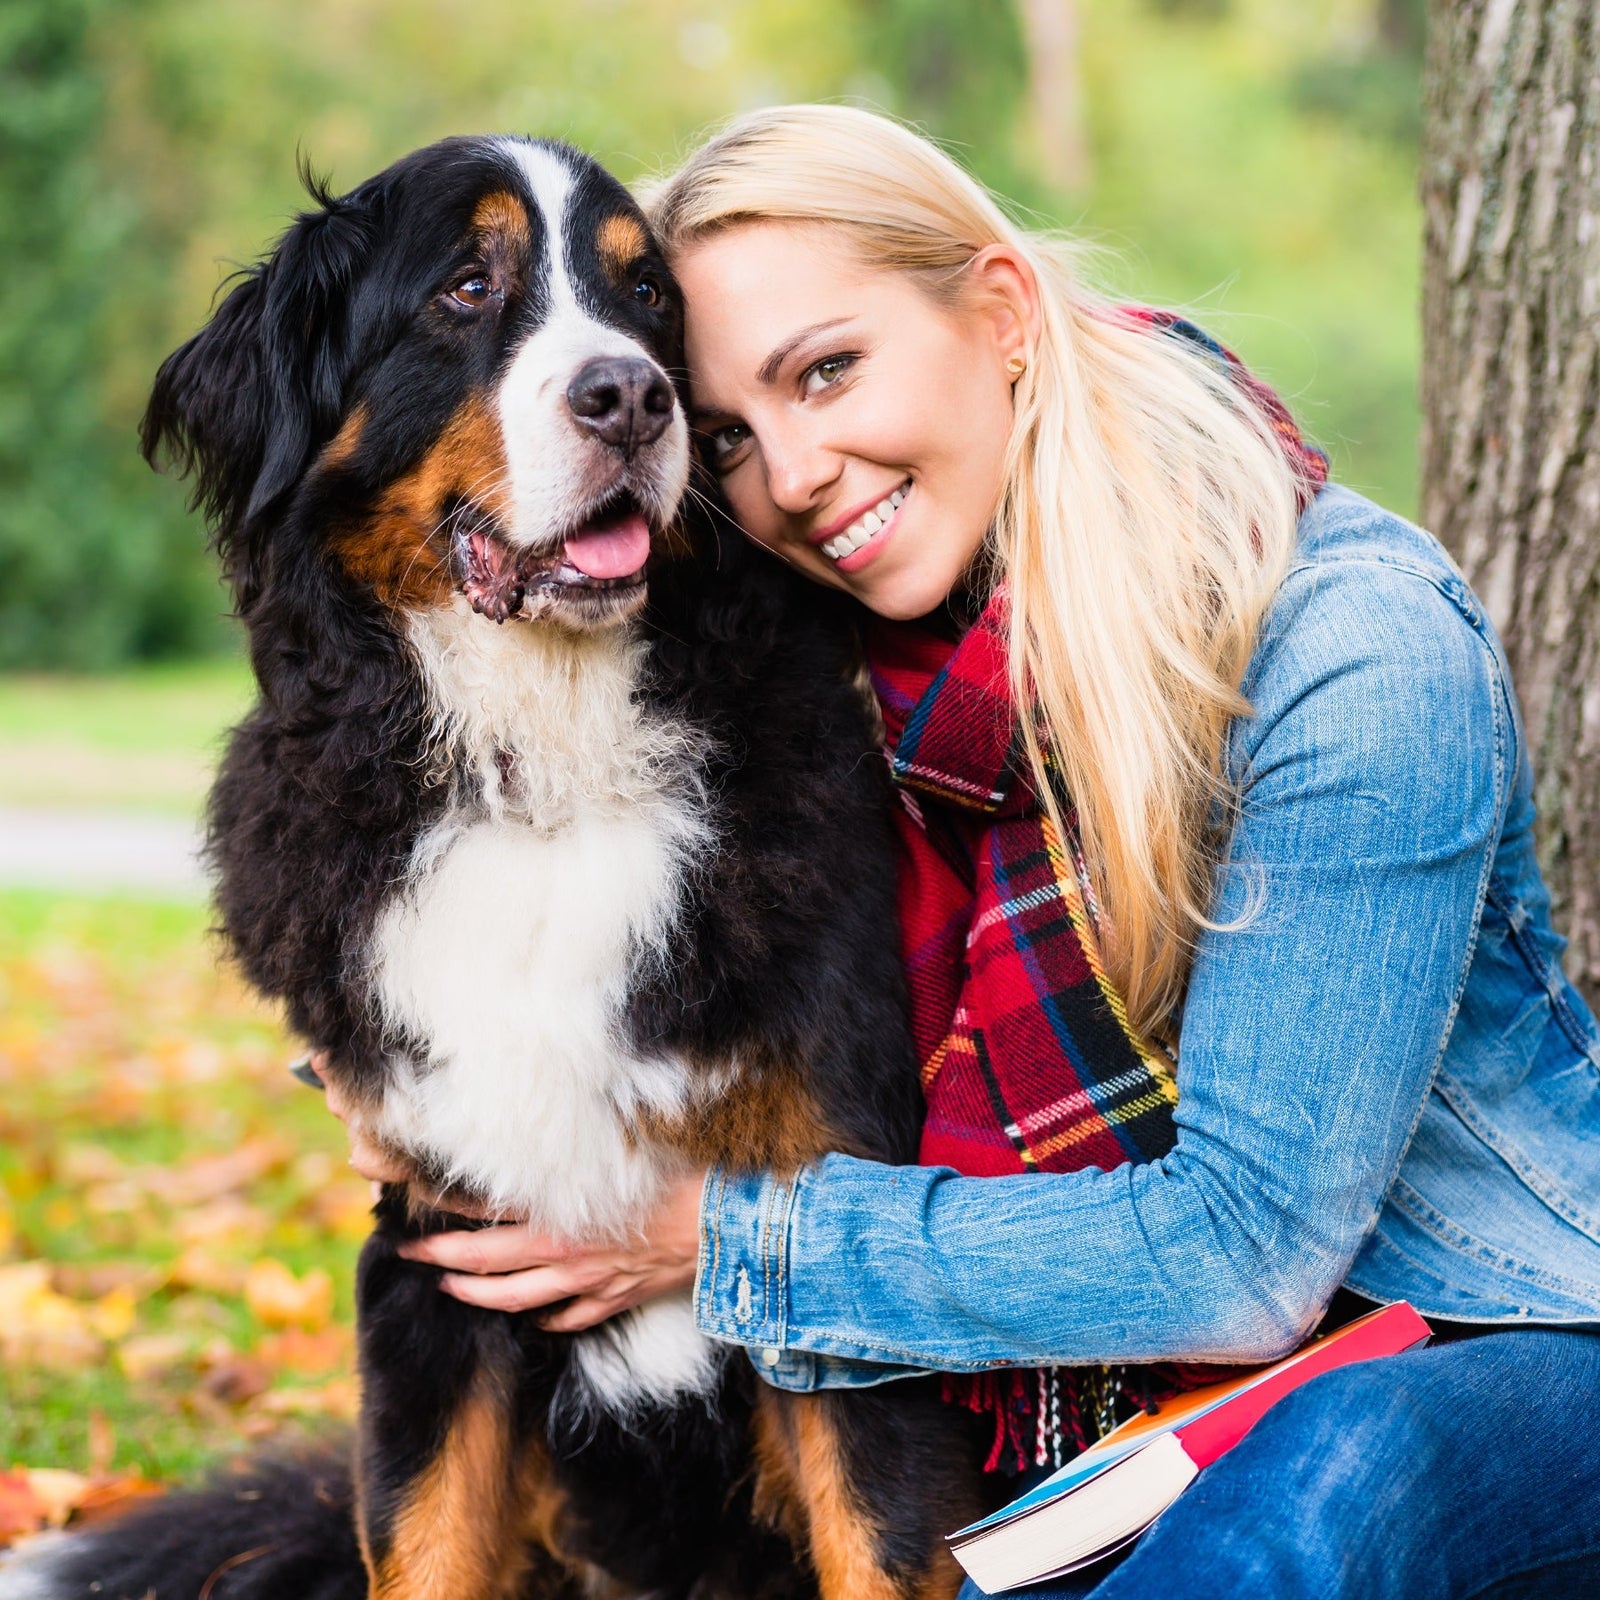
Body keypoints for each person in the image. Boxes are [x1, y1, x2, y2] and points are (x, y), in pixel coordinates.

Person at [319, 106, 1600, 1597]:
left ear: (998, 315)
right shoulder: (848, 662)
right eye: (727, 436)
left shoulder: (1351, 650)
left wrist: (722, 1243)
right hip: (1113, 1417)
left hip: (1485, 1340)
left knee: (1333, 1479)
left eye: (827, 371)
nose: (796, 472)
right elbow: (551, 873)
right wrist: (428, 1086)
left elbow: (1242, 1258)